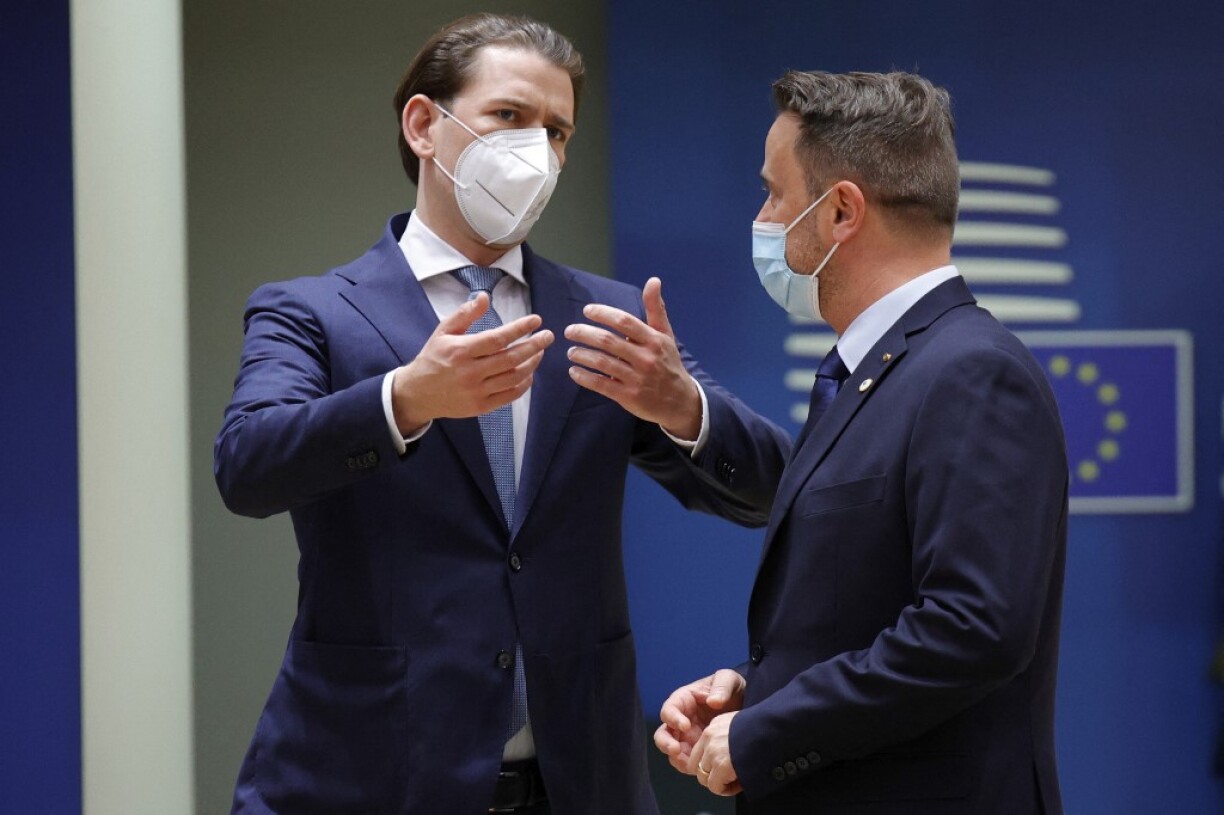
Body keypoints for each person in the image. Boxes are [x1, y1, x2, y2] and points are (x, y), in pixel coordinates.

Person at [214, 13, 790, 815]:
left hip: (578, 785)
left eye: (557, 132)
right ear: (424, 124)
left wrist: (680, 404)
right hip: (366, 781)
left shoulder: (609, 316)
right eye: (510, 117)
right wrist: (405, 398)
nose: (538, 153)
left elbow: (775, 492)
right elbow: (246, 465)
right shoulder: (312, 312)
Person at [655, 70, 1068, 813]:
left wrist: (767, 731)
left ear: (841, 209)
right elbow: (867, 608)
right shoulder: (873, 370)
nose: (764, 216)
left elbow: (973, 628)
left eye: (775, 194)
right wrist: (755, 692)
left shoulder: (970, 370)